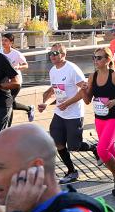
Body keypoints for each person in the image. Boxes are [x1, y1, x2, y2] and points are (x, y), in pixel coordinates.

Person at [37, 42, 95, 185]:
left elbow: (84, 91)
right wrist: (45, 102)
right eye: (50, 53)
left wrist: (67, 103)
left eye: (55, 53)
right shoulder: (53, 70)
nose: (52, 56)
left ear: (63, 54)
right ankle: (71, 171)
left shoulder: (72, 69)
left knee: (74, 146)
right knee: (58, 143)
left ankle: (95, 147)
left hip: (74, 113)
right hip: (59, 112)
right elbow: (55, 89)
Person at [82, 46, 115, 197]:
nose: (95, 61)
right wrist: (84, 89)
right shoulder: (93, 76)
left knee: (102, 149)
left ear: (108, 59)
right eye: (94, 57)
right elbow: (86, 101)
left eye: (99, 58)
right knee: (111, 152)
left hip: (114, 118)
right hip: (99, 119)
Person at [1, 33, 35, 124]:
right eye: (2, 40)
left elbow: (26, 65)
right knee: (11, 103)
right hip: (4, 82)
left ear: (11, 42)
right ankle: (29, 108)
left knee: (9, 103)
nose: (3, 42)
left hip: (16, 82)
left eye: (6, 40)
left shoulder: (17, 54)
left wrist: (17, 67)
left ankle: (8, 125)